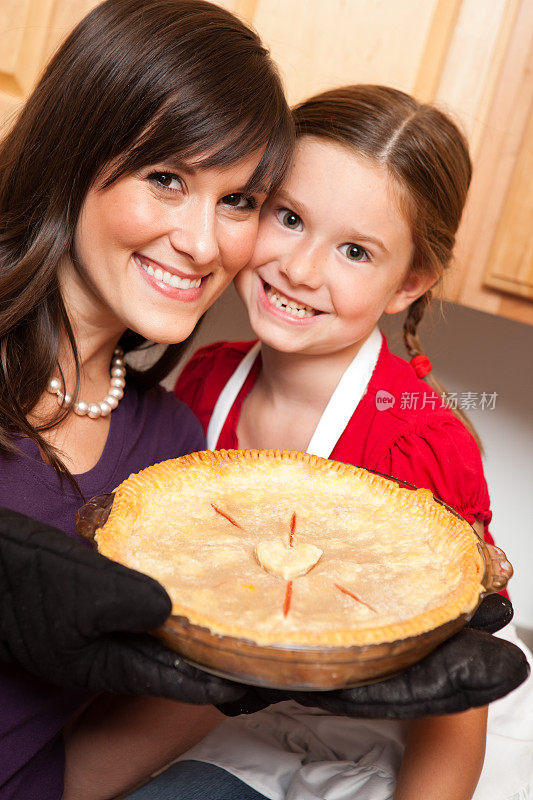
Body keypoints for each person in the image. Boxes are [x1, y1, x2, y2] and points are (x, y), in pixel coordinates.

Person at [162, 85, 533, 800]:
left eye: (355, 251)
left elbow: (456, 714)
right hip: (246, 715)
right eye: (289, 217)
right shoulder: (205, 381)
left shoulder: (416, 446)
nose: (301, 270)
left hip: (400, 748)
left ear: (409, 283)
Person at [0, 0, 294, 796]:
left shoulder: (170, 451)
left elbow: (67, 763)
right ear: (74, 153)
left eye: (237, 200)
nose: (203, 244)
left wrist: (251, 661)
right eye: (166, 179)